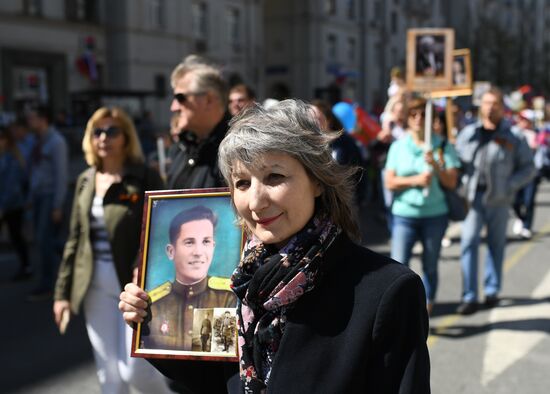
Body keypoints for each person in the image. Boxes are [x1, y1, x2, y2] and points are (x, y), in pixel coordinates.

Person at [119, 99, 430, 393]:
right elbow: (219, 381)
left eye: (274, 177)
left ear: (318, 181)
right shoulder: (238, 278)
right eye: (242, 183)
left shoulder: (389, 290)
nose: (256, 201)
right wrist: (148, 324)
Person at [53, 107, 170, 394]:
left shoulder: (144, 177)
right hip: (93, 284)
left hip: (133, 285)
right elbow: (75, 239)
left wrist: (142, 263)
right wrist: (62, 294)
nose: (104, 137)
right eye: (98, 131)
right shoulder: (85, 180)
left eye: (112, 130)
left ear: (126, 137)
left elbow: (160, 228)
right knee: (110, 377)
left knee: (136, 371)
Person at [455, 88, 535, 315]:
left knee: (496, 245)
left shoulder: (514, 137)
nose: (490, 108)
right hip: (472, 198)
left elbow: (529, 168)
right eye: (486, 103)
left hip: (499, 199)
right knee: (468, 243)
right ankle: (469, 295)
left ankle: (492, 290)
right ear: (480, 106)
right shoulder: (468, 134)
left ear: (502, 108)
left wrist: (510, 185)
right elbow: (456, 161)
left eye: (495, 104)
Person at [384, 97, 461, 315]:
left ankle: (427, 305)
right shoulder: (399, 147)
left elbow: (451, 182)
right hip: (404, 214)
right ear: (407, 118)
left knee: (430, 262)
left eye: (424, 115)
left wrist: (436, 166)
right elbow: (390, 182)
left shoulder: (442, 145)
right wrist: (415, 180)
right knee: (398, 265)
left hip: (435, 214)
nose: (418, 119)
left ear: (432, 119)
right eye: (414, 114)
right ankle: (397, 307)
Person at [141, 205, 236, 351]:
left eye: (206, 242)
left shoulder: (227, 298)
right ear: (171, 251)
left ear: (213, 246)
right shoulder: (153, 304)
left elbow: (221, 354)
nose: (198, 252)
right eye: (189, 242)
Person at [166, 56, 230, 189]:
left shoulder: (238, 151)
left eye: (180, 98)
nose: (174, 107)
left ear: (208, 100)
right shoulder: (181, 148)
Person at [27, 105, 68, 300]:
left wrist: (58, 205)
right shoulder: (37, 141)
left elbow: (61, 175)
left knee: (45, 240)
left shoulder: (56, 142)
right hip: (38, 196)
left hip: (50, 196)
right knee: (44, 240)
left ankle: (49, 282)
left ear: (43, 119)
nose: (30, 121)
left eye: (33, 117)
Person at [0, 126, 31, 280]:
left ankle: (26, 266)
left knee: (16, 236)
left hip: (12, 205)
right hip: (7, 204)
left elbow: (12, 186)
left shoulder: (12, 158)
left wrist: (2, 207)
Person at [511, 109, 539, 239]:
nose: (521, 122)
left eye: (524, 120)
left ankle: (527, 226)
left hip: (532, 173)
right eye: (520, 119)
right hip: (516, 173)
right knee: (515, 201)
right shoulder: (513, 134)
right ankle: (520, 219)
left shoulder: (538, 134)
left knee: (529, 201)